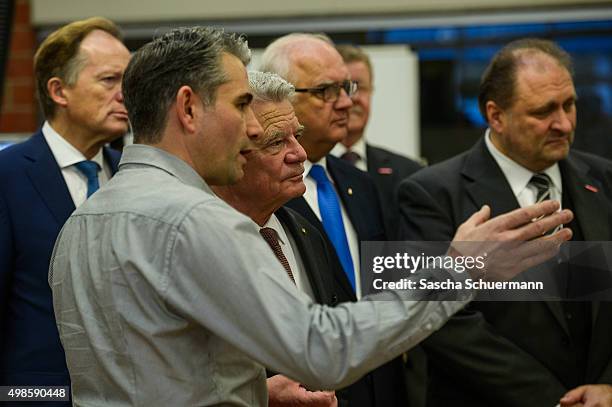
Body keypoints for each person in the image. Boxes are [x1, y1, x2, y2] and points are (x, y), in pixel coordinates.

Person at [49, 27, 572, 406]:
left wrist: (252, 391)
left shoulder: (82, 222)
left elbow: (145, 370)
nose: (250, 129)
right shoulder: (193, 218)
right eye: (240, 105)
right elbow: (321, 350)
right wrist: (459, 268)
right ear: (188, 108)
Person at [398, 38, 612, 406]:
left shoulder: (604, 180)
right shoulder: (432, 194)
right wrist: (555, 400)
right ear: (496, 115)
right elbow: (443, 321)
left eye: (569, 105)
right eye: (544, 111)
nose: (563, 123)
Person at [260, 33, 412, 406]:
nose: (347, 102)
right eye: (326, 91)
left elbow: (383, 291)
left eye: (347, 87)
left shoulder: (361, 185)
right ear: (282, 98)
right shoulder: (263, 197)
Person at [0, 17, 129, 400]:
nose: (126, 94)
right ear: (59, 91)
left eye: (130, 80)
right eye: (109, 80)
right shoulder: (8, 177)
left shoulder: (138, 175)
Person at [213, 70, 339, 407]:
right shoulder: (201, 244)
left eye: (296, 136)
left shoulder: (307, 233)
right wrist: (261, 396)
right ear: (232, 152)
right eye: (275, 142)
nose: (299, 153)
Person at [333, 44, 423, 240]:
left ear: (371, 92)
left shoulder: (410, 174)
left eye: (360, 87)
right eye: (343, 88)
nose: (352, 99)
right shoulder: (303, 174)